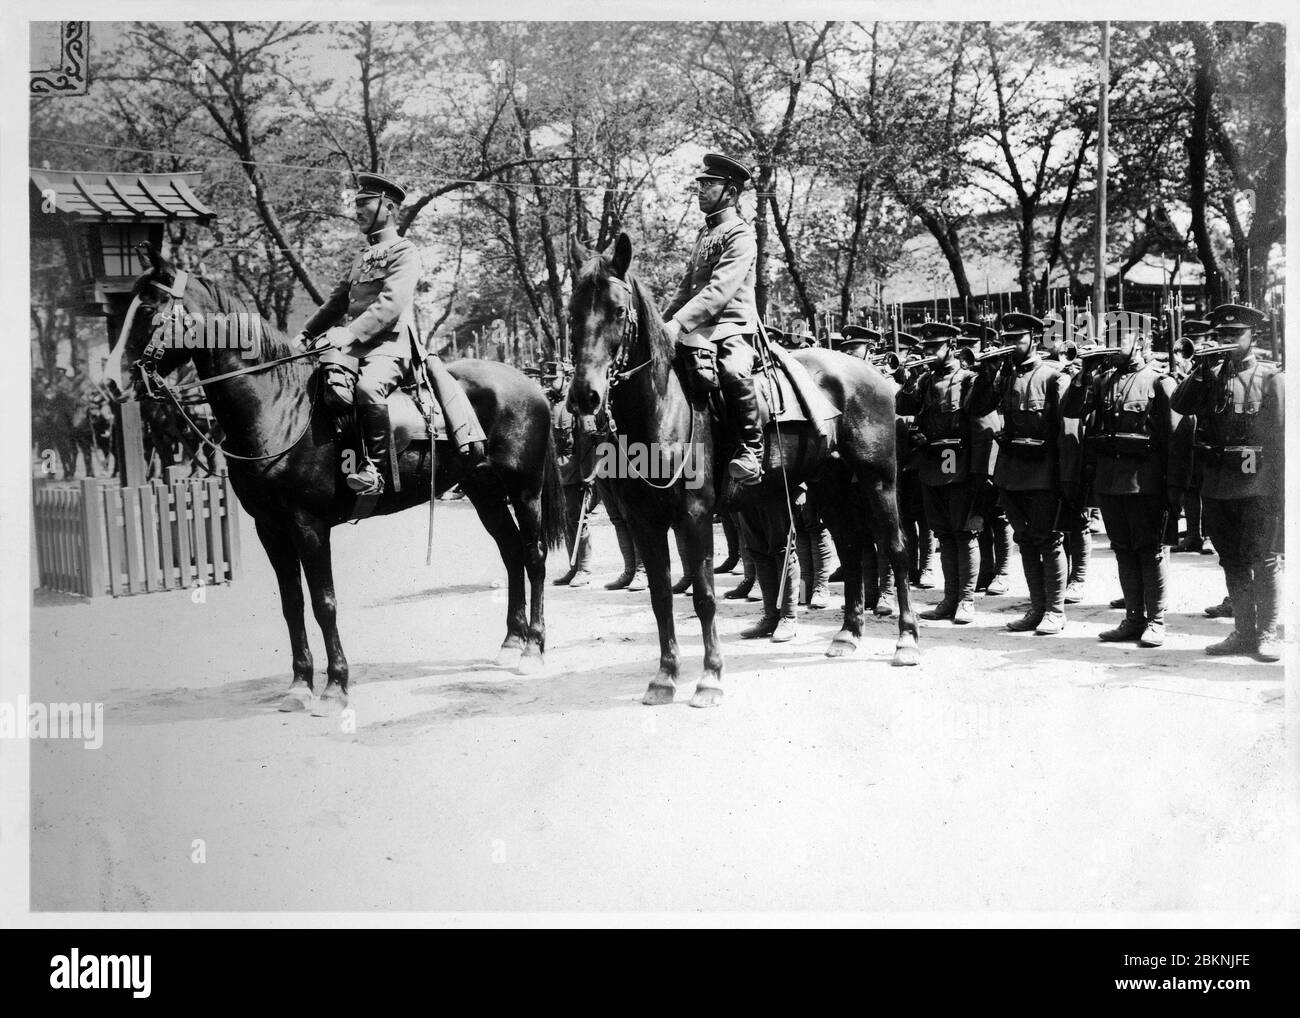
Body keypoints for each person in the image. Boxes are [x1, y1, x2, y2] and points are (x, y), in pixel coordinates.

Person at [297, 172, 484, 494]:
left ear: (388, 207)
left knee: (368, 389)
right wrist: (304, 334)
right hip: (353, 348)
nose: (356, 211)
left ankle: (375, 471)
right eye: (355, 204)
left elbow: (391, 304)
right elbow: (335, 303)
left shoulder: (403, 251)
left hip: (391, 345)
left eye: (363, 203)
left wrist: (350, 334)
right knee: (323, 386)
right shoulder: (361, 259)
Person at [1066, 314, 1191, 646]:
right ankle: (1133, 618)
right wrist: (1082, 375)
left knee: (1150, 551)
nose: (1111, 342)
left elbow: (1176, 440)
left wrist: (1174, 490)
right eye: (1109, 335)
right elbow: (1070, 411)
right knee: (1122, 550)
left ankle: (1157, 620)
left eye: (1119, 336)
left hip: (1146, 483)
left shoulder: (1159, 382)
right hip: (1110, 483)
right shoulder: (1103, 380)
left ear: (1141, 342)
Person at [1170, 303, 1285, 661]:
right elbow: (1180, 404)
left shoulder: (1270, 377)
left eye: (1235, 335)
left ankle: (1267, 634)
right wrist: (1200, 372)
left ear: (1253, 337)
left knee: (1262, 559)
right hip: (1218, 484)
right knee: (1231, 559)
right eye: (1222, 335)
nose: (1227, 341)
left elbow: (1282, 439)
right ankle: (1243, 632)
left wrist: (1282, 494)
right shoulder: (1211, 376)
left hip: (1258, 485)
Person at [662, 153, 763, 485]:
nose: (701, 190)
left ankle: (752, 451)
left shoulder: (741, 235)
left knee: (734, 369)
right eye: (700, 184)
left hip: (731, 328)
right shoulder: (703, 236)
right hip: (698, 330)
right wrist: (660, 325)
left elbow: (719, 291)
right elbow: (684, 289)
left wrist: (679, 324)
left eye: (709, 184)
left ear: (730, 193)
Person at [971, 312, 1070, 634]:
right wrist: (986, 375)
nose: (1012, 345)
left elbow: (1066, 433)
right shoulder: (1004, 376)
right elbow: (977, 409)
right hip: (1010, 471)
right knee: (1025, 541)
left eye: (1019, 338)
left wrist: (1065, 479)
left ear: (1034, 339)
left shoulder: (1054, 376)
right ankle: (1036, 608)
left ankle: (1055, 610)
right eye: (1008, 339)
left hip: (1043, 472)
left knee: (1049, 540)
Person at [898, 322, 983, 624]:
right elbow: (903, 405)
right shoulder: (923, 380)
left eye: (936, 347)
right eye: (927, 347)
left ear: (952, 346)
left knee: (963, 532)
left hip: (958, 461)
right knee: (944, 535)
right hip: (933, 462)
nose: (929, 352)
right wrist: (907, 377)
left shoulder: (969, 378)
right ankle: (950, 598)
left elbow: (979, 424)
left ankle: (967, 599)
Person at [959, 321, 1012, 596]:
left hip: (996, 448)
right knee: (980, 512)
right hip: (976, 452)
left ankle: (1002, 572)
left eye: (974, 344)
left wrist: (996, 370)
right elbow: (970, 407)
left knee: (999, 515)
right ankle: (987, 570)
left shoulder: (1004, 372)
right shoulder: (971, 376)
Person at [547, 364, 594, 588]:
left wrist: (588, 473)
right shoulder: (549, 403)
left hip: (574, 467)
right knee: (566, 520)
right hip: (557, 470)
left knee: (578, 519)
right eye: (547, 379)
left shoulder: (574, 404)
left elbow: (585, 441)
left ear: (565, 378)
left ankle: (584, 568)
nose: (549, 382)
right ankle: (573, 566)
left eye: (553, 378)